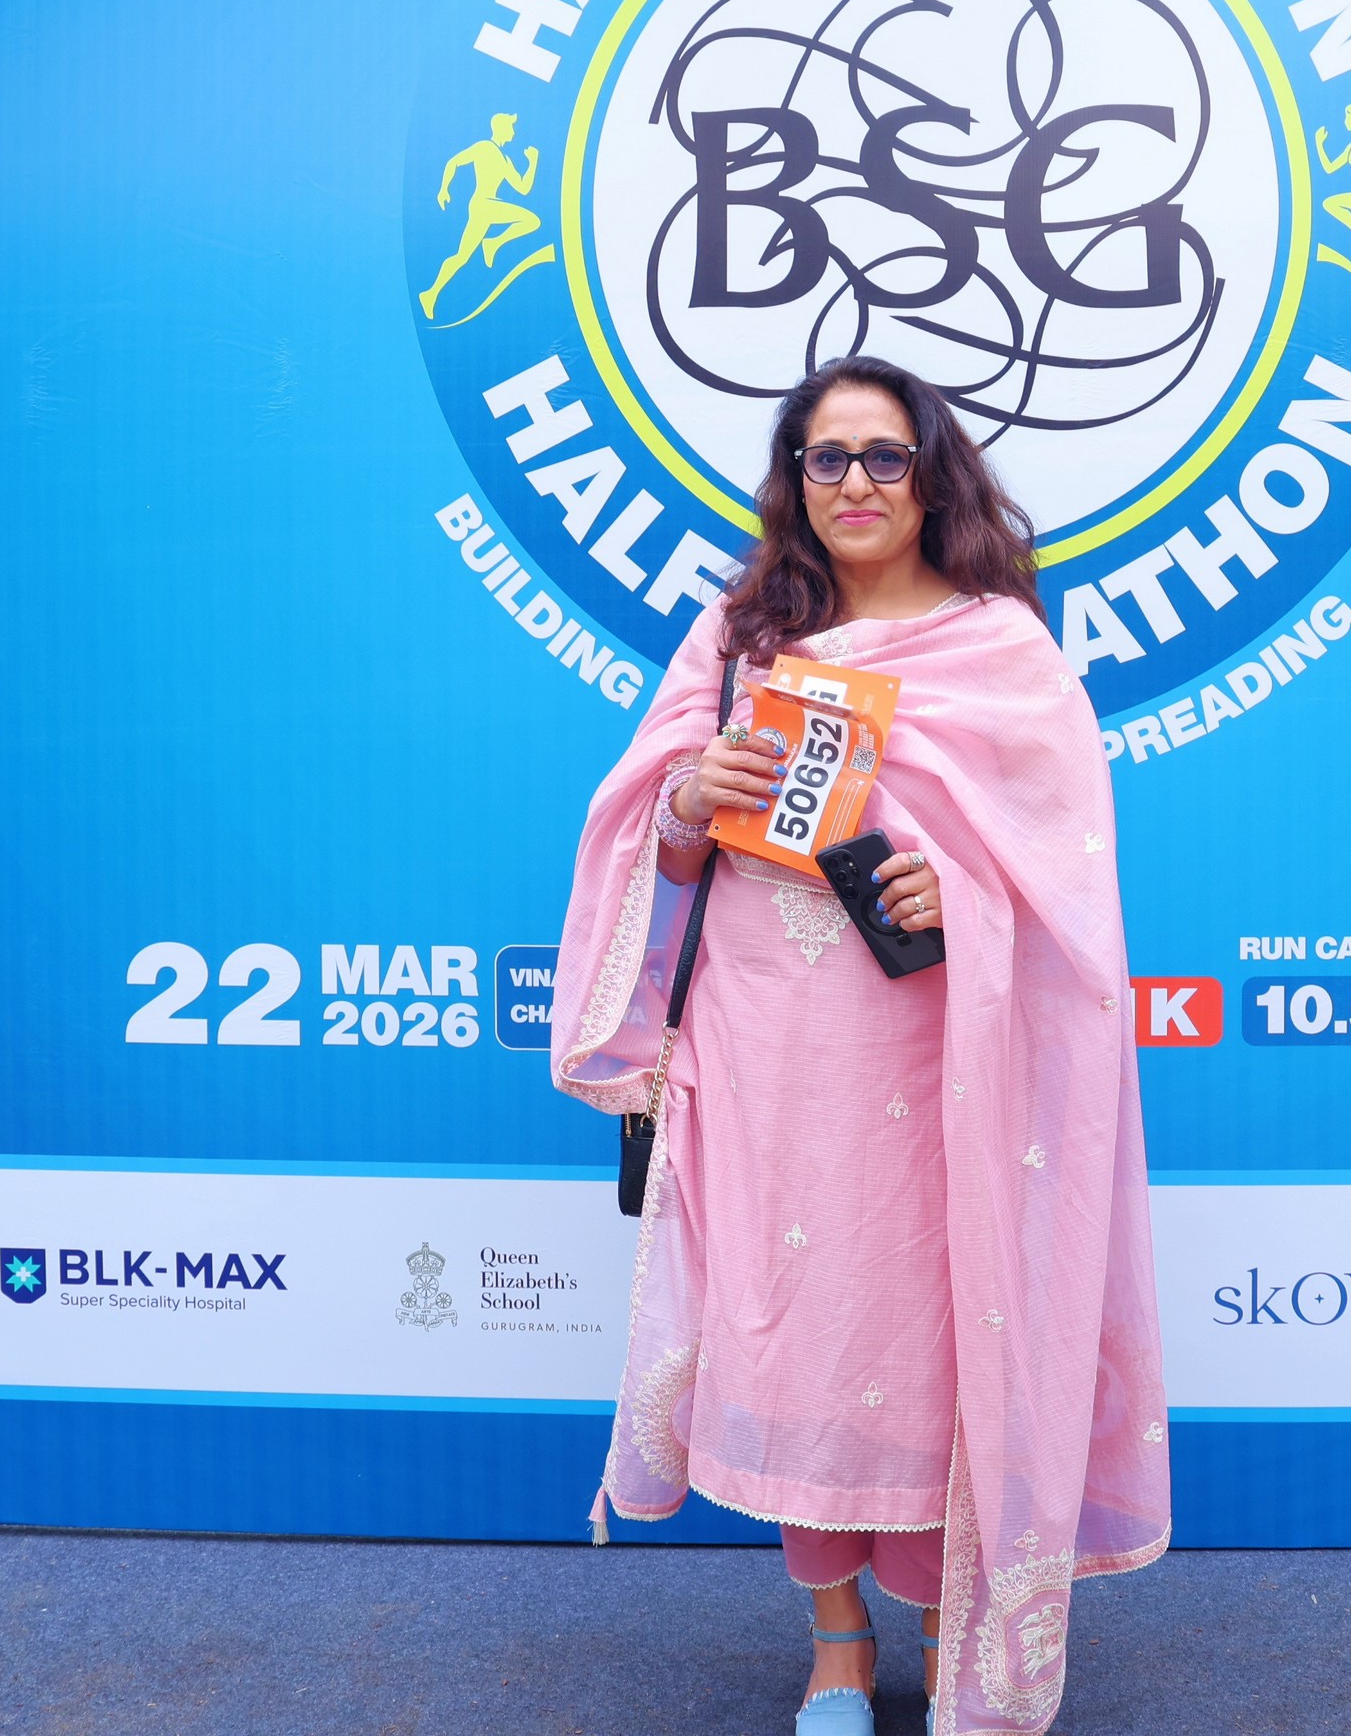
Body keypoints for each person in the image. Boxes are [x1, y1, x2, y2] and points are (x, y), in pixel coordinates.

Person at [547, 357, 1168, 1736]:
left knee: (938, 1338)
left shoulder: (1003, 650)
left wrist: (965, 893)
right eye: (826, 459)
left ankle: (949, 1629)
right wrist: (688, 798)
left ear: (931, 473)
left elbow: (1070, 882)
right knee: (801, 1339)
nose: (856, 484)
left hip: (939, 1058)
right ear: (795, 480)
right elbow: (657, 838)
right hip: (772, 1048)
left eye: (885, 456)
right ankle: (836, 1646)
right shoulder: (739, 638)